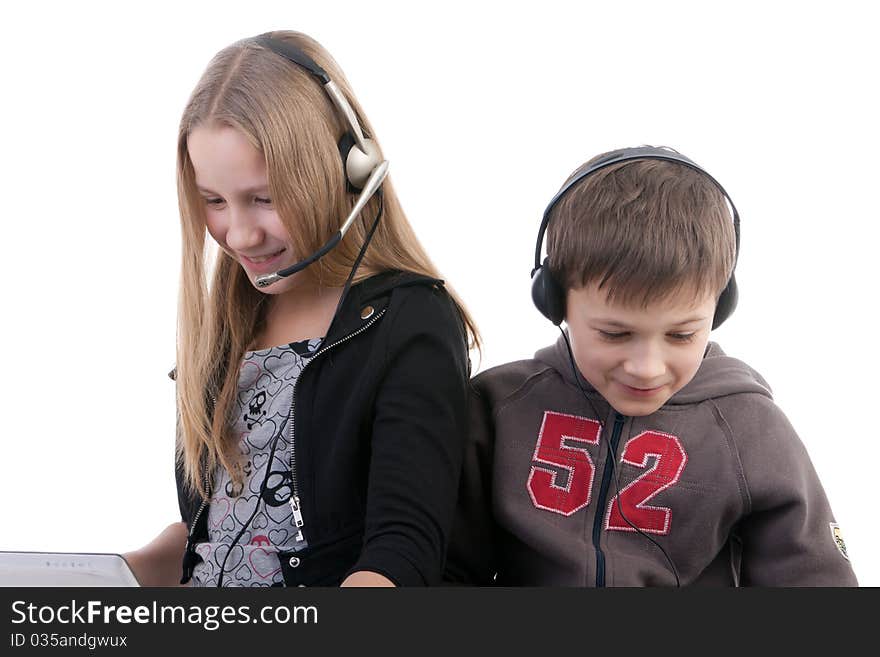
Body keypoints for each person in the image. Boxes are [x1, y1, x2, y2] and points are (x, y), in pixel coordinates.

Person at [124, 30, 477, 587]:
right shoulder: (223, 328)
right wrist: (121, 574)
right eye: (214, 200)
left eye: (263, 198)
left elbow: (403, 552)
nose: (238, 233)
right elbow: (213, 524)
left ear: (345, 170)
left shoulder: (410, 321)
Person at [445, 146, 858, 586]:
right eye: (615, 333)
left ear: (720, 308)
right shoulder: (496, 408)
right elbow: (444, 569)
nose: (646, 367)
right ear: (553, 299)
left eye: (681, 335)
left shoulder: (752, 427)